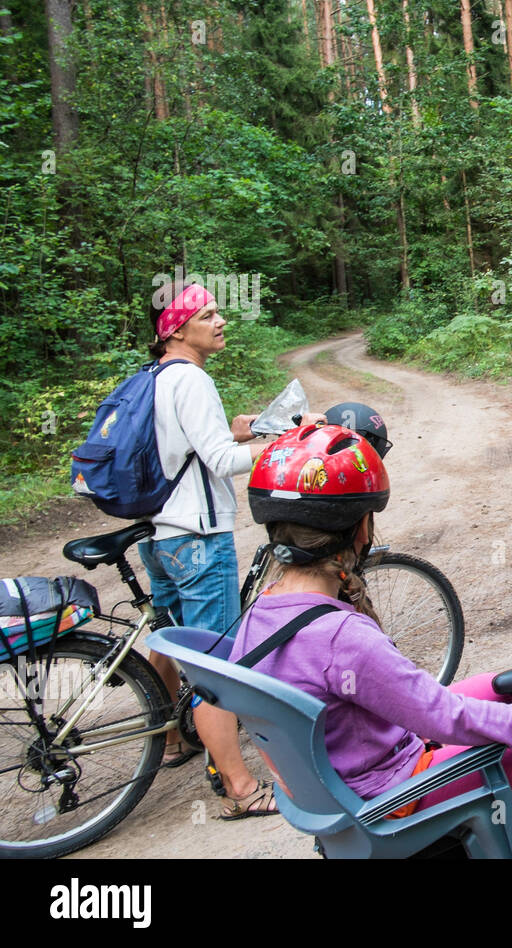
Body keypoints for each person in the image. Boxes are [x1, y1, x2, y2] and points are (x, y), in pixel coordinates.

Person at [233, 422, 512, 858]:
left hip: (344, 782)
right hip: (389, 797)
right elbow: (441, 718)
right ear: (360, 528)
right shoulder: (342, 636)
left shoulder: (260, 612)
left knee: (493, 686)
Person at [138, 281, 278, 818]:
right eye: (209, 314)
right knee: (214, 661)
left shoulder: (152, 379)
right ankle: (239, 787)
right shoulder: (191, 379)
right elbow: (220, 463)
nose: (221, 321)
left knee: (171, 637)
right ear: (176, 329)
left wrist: (238, 434)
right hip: (196, 537)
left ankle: (173, 740)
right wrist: (280, 444)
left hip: (159, 534)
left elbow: (189, 450)